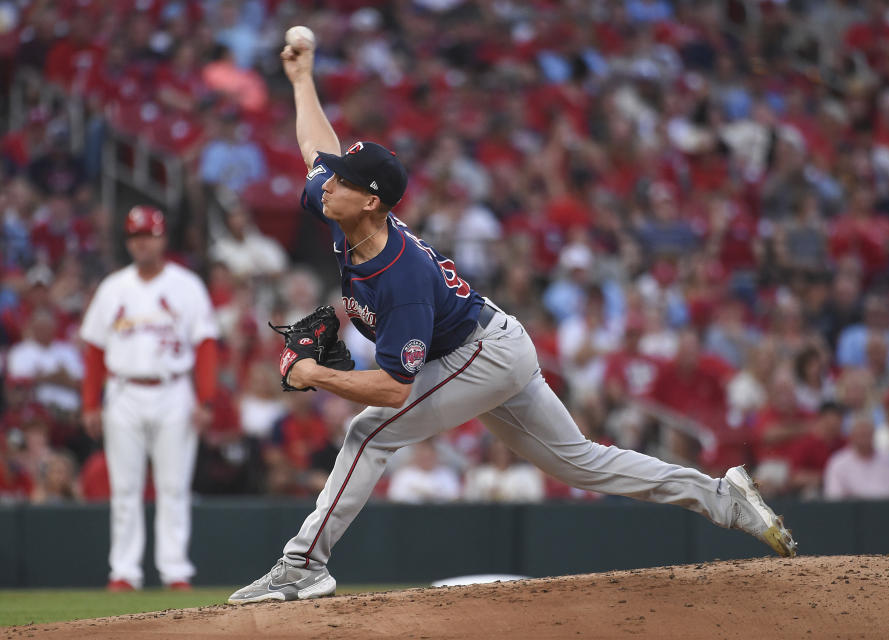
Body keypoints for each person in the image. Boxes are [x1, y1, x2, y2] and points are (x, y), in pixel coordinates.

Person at [227, 34, 798, 605]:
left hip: (478, 354)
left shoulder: (399, 277)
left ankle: (303, 564)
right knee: (582, 463)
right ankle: (723, 497)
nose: (328, 182)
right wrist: (302, 80)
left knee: (368, 431)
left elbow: (394, 390)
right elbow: (316, 150)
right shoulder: (343, 211)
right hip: (490, 340)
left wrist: (313, 375)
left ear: (371, 201)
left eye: (345, 180)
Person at [79, 205, 219, 591]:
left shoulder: (186, 285)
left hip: (174, 389)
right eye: (135, 236)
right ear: (128, 242)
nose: (142, 243)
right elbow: (93, 350)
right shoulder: (113, 288)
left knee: (174, 486)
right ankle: (124, 571)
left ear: (162, 238)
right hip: (123, 391)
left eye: (149, 235)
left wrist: (205, 399)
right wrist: (90, 403)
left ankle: (175, 570)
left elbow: (205, 344)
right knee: (125, 487)